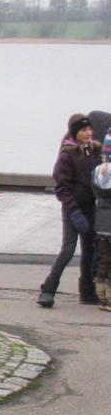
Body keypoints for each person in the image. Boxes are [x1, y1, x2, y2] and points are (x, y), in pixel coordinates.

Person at [37, 113, 101, 307]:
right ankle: (48, 290)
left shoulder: (94, 151)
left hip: (91, 207)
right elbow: (61, 187)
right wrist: (73, 211)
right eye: (83, 130)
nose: (88, 133)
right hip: (73, 209)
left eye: (89, 129)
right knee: (68, 250)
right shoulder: (68, 154)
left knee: (90, 250)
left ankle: (87, 291)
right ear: (75, 133)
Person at [92, 131, 111, 311]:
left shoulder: (98, 172)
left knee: (103, 260)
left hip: (101, 224)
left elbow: (95, 193)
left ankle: (101, 297)